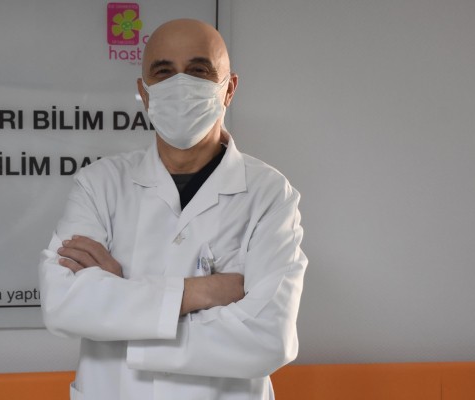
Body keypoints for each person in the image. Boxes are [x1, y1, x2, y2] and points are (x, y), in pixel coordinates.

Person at [39, 18, 307, 400]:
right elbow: (63, 304)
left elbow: (268, 338)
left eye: (198, 70)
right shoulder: (99, 184)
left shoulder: (269, 194)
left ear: (229, 89)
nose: (180, 85)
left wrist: (122, 305)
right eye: (163, 72)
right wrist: (199, 292)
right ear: (145, 93)